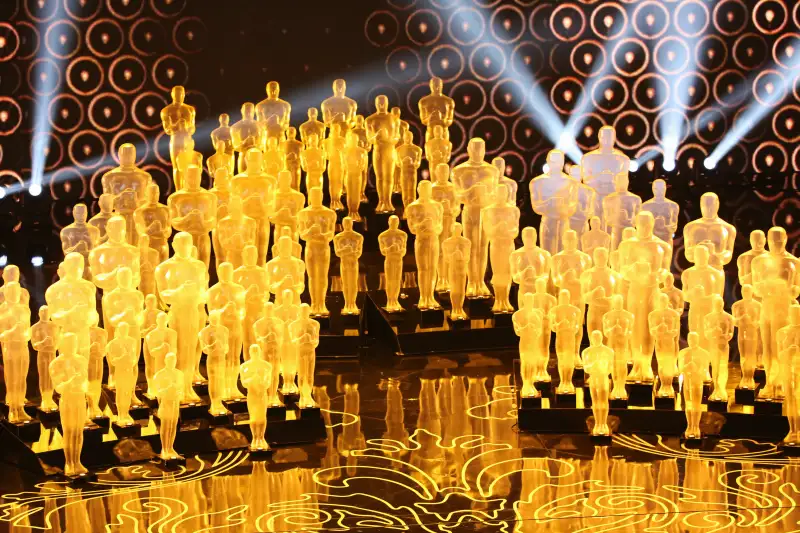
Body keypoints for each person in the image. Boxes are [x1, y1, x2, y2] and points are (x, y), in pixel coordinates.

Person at [152, 352, 185, 463]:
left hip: (175, 402)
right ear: (165, 361)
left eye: (174, 360)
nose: (172, 362)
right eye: (170, 360)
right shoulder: (160, 375)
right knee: (165, 426)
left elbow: (182, 389)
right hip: (166, 402)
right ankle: (164, 448)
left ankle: (170, 447)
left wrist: (177, 392)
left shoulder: (179, 374)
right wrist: (168, 389)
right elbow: (157, 391)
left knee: (173, 425)